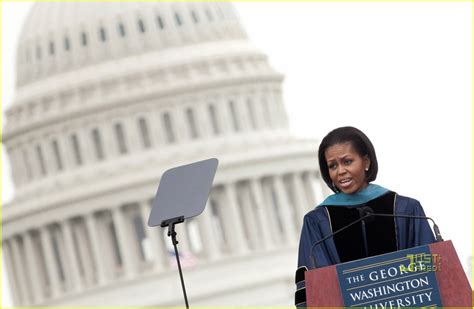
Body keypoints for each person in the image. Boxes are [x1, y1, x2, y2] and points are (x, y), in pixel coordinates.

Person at [294, 126, 436, 307]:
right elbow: (315, 287)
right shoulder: (317, 221)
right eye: (332, 166)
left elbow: (429, 272)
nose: (340, 171)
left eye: (347, 161)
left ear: (366, 161)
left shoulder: (405, 209)